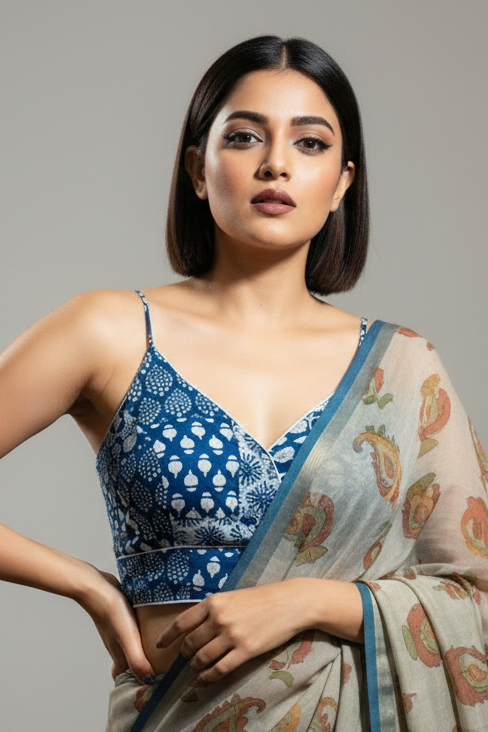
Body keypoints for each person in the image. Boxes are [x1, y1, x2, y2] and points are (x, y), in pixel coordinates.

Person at [1, 34, 487, 732]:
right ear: (197, 170)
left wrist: (312, 601)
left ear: (342, 183)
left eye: (310, 143)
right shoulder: (109, 331)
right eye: (244, 137)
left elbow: (475, 592)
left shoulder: (403, 368)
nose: (276, 163)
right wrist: (87, 586)